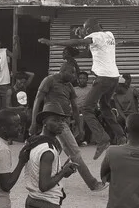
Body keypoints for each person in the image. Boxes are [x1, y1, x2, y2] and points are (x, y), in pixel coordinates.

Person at [39, 18, 125, 159]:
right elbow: (92, 40)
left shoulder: (94, 36)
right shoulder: (109, 34)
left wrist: (52, 43)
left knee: (86, 109)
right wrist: (84, 33)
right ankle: (121, 136)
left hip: (103, 78)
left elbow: (78, 42)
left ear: (89, 30)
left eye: (85, 30)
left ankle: (103, 139)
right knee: (105, 106)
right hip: (114, 77)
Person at [30, 60, 104, 191]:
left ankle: (48, 176)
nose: (74, 76)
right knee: (74, 151)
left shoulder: (69, 85)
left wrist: (80, 128)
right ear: (63, 71)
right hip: (54, 121)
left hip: (63, 121)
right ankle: (92, 183)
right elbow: (37, 99)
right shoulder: (49, 80)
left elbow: (75, 107)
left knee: (59, 149)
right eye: (72, 72)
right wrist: (34, 122)